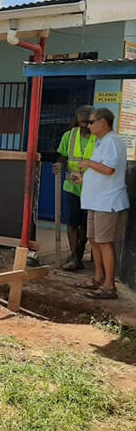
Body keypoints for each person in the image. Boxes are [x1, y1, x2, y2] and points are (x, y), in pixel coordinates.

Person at [77, 108, 130, 300]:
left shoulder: (112, 142)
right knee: (94, 240)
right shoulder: (101, 142)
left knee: (105, 243)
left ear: (103, 122)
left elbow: (108, 169)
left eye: (92, 122)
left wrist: (89, 164)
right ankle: (98, 278)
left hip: (108, 202)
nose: (89, 125)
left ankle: (109, 286)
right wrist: (85, 178)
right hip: (96, 201)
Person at [52, 106, 96, 271]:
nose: (85, 126)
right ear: (77, 121)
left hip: (91, 188)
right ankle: (75, 256)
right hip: (71, 186)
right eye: (82, 122)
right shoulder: (69, 136)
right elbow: (63, 156)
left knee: (85, 225)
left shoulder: (98, 139)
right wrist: (59, 164)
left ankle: (77, 254)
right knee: (72, 222)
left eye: (88, 123)